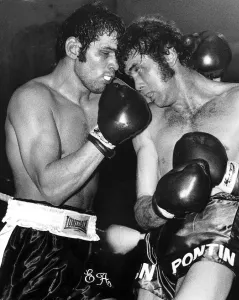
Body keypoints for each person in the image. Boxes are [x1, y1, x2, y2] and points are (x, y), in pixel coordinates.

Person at [117, 15, 239, 300]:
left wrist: (227, 176)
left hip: (221, 226)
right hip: (161, 242)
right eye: (131, 75)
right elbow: (142, 211)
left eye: (140, 69)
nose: (137, 84)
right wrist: (163, 207)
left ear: (169, 53)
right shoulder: (148, 126)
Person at [0, 2, 151, 300]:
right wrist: (105, 137)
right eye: (104, 53)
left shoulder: (107, 101)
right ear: (73, 49)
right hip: (35, 244)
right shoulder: (33, 98)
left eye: (116, 57)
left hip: (88, 241)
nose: (113, 65)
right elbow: (51, 188)